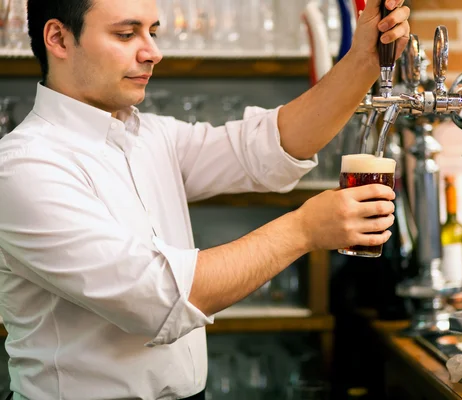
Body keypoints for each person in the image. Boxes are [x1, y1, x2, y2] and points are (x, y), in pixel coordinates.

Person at [0, 0, 410, 398]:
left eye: (153, 32)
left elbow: (267, 146)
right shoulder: (24, 168)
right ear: (58, 38)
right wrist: (301, 230)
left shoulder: (150, 136)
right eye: (126, 34)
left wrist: (365, 59)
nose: (153, 52)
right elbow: (156, 298)